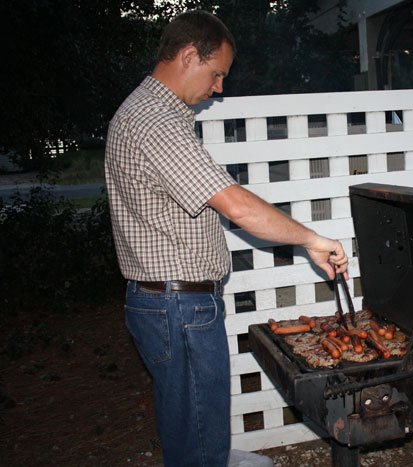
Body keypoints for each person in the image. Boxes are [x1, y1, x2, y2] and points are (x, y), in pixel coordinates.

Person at [104, 10, 349, 467]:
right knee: (197, 432)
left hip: (165, 305)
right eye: (216, 73)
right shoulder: (155, 121)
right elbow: (236, 206)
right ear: (188, 55)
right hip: (178, 308)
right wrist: (313, 240)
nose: (219, 88)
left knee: (189, 425)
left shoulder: (146, 111)